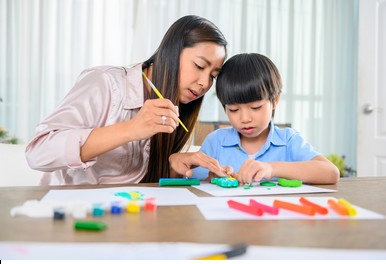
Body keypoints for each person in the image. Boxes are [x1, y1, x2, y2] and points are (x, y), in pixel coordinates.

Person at [26, 15, 228, 185]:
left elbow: (140, 181)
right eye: (200, 66)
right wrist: (131, 129)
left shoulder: (178, 108)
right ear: (172, 53)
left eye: (213, 75)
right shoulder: (106, 83)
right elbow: (38, 153)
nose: (204, 83)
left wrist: (174, 166)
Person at [191, 53, 340, 185]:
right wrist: (210, 180)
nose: (245, 118)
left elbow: (331, 173)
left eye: (255, 108)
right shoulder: (216, 142)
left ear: (275, 101)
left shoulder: (288, 141)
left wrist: (272, 168)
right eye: (234, 110)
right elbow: (192, 181)